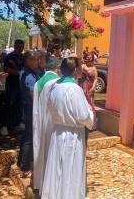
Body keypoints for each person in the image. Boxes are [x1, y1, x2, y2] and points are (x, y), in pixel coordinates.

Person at [41, 57, 96, 199]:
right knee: (70, 169)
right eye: (79, 67)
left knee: (57, 167)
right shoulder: (74, 89)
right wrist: (90, 113)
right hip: (72, 135)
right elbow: (84, 116)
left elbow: (50, 107)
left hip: (57, 132)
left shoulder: (54, 86)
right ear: (76, 70)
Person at [32, 56, 62, 195]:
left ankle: (39, 182)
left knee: (40, 150)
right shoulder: (56, 82)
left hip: (39, 122)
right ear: (57, 68)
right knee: (51, 152)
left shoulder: (38, 82)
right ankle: (51, 186)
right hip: (52, 123)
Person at [18, 51, 39, 177]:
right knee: (29, 138)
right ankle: (25, 167)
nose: (37, 61)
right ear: (28, 61)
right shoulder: (30, 76)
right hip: (30, 108)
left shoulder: (25, 71)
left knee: (27, 135)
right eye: (35, 59)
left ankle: (21, 163)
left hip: (27, 108)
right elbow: (34, 95)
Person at [1, 39, 25, 136]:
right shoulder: (9, 57)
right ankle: (4, 126)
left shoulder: (23, 57)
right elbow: (6, 69)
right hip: (11, 84)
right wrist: (18, 73)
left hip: (21, 85)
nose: (20, 49)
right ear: (15, 46)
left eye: (22, 47)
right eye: (19, 47)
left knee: (19, 105)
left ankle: (17, 123)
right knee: (9, 105)